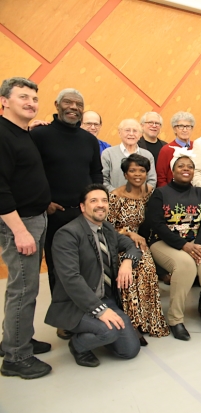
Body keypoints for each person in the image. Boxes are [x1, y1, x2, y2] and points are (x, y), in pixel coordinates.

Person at [31, 88, 103, 339]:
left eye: (78, 104)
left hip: (85, 216)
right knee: (60, 269)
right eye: (68, 102)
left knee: (90, 265)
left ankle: (90, 309)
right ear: (57, 105)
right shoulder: (40, 135)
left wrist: (95, 203)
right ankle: (65, 319)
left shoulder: (89, 140)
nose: (73, 107)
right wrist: (45, 201)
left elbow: (96, 173)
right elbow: (30, 172)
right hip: (54, 215)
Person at [45, 184, 141, 367]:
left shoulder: (106, 229)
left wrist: (128, 262)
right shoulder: (67, 235)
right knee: (109, 332)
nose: (100, 205)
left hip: (106, 298)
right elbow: (71, 279)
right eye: (94, 201)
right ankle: (78, 345)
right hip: (76, 305)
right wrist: (100, 310)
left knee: (129, 350)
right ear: (82, 207)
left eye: (104, 200)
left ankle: (99, 332)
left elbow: (130, 245)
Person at [0, 77, 52, 379]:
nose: (31, 102)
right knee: (23, 289)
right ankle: (16, 358)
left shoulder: (20, 132)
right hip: (20, 223)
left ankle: (17, 339)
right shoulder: (3, 135)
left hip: (35, 217)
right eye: (23, 97)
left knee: (27, 286)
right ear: (5, 101)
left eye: (34, 98)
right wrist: (19, 231)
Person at [147, 148, 201, 340]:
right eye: (181, 166)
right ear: (173, 170)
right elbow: (157, 225)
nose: (185, 169)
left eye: (190, 166)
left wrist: (199, 244)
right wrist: (184, 246)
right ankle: (176, 319)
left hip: (198, 240)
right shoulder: (160, 194)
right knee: (185, 266)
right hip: (166, 241)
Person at [107, 154, 169, 342]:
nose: (137, 174)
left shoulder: (151, 193)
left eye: (141, 170)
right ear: (125, 174)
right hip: (120, 242)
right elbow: (107, 228)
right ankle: (133, 325)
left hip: (145, 242)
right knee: (133, 271)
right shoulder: (116, 197)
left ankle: (150, 320)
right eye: (132, 170)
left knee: (148, 268)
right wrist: (128, 233)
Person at [102, 119, 156, 192]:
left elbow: (152, 180)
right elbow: (103, 179)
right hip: (115, 199)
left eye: (135, 131)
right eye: (127, 130)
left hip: (142, 200)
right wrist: (118, 194)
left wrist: (141, 194)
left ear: (140, 135)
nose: (131, 134)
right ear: (119, 133)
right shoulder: (108, 153)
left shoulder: (147, 155)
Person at [155, 111, 195, 187]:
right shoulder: (166, 149)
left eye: (188, 126)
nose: (185, 130)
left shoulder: (197, 146)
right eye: (181, 126)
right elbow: (161, 178)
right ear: (174, 129)